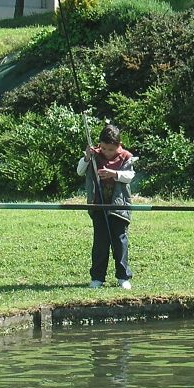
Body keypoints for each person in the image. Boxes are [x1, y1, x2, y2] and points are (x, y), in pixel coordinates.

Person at [77, 122, 137, 289]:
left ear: (118, 145)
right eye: (104, 148)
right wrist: (87, 158)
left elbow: (129, 176)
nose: (107, 153)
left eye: (111, 149)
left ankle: (123, 277)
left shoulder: (125, 157)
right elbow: (80, 171)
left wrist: (114, 174)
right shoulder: (93, 155)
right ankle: (97, 278)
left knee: (120, 241)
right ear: (99, 145)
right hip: (98, 205)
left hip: (120, 206)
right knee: (100, 242)